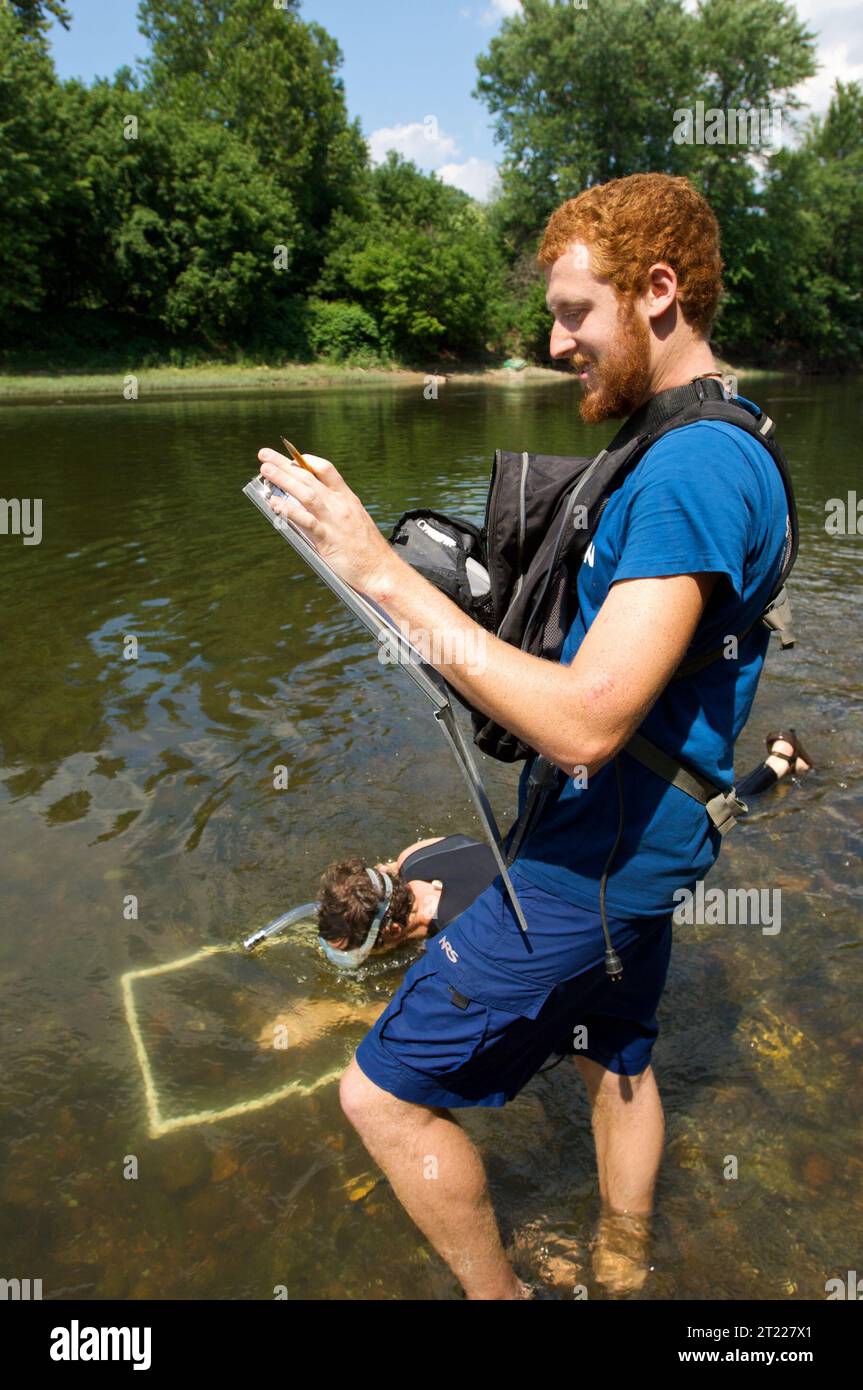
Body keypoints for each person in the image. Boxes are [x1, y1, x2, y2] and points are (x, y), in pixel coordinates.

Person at [256, 172, 802, 1300]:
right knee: (619, 1055)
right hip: (646, 853)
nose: (553, 343)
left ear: (657, 292)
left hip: (587, 861)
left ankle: (496, 1299)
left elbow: (591, 722)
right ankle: (622, 1255)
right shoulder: (709, 441)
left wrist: (376, 575)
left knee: (377, 1093)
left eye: (572, 312)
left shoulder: (695, 468)